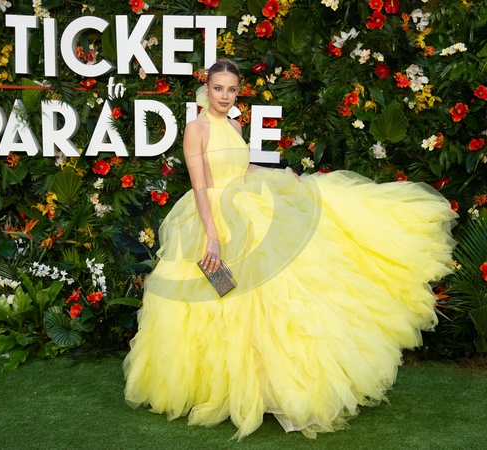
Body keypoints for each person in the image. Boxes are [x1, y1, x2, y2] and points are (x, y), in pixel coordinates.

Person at [123, 59, 456, 440]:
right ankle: (227, 389)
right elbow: (201, 186)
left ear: (238, 91)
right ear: (206, 88)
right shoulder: (196, 130)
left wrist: (278, 174)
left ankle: (277, 393)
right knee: (222, 307)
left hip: (248, 209)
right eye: (218, 88)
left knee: (274, 300)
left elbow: (240, 170)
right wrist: (212, 236)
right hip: (212, 219)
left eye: (231, 90)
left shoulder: (235, 125)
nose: (224, 96)